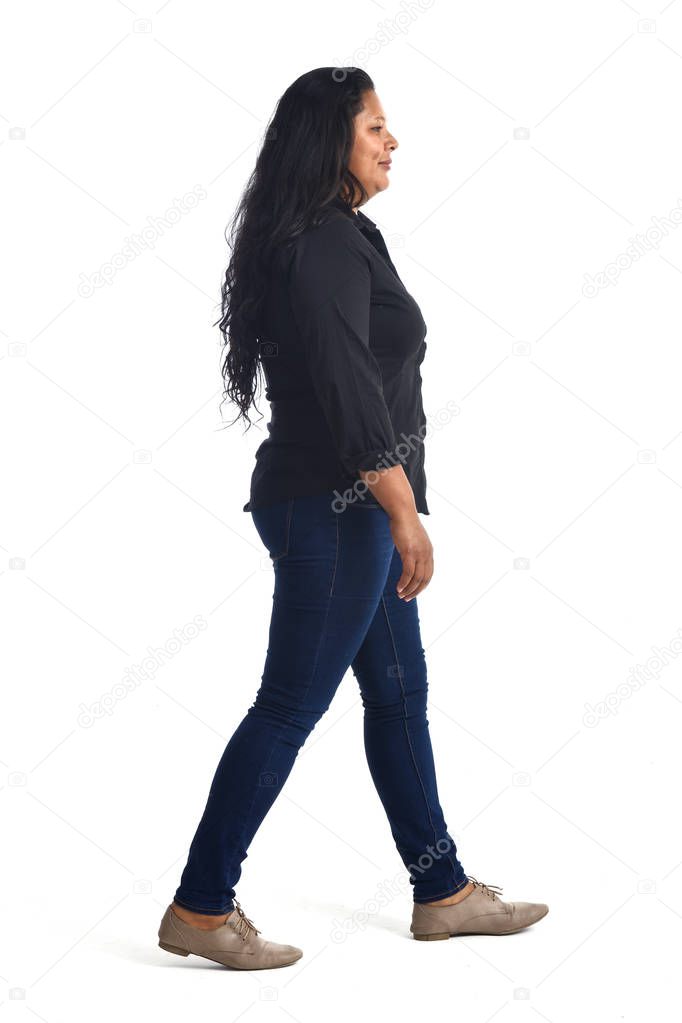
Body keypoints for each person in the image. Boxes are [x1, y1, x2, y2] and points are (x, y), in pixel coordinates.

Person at [158, 67, 549, 971]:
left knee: (399, 694)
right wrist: (404, 511)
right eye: (375, 124)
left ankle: (442, 890)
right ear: (331, 140)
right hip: (338, 513)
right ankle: (201, 904)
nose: (392, 138)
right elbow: (344, 384)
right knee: (290, 704)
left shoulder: (338, 235)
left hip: (344, 509)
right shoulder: (327, 242)